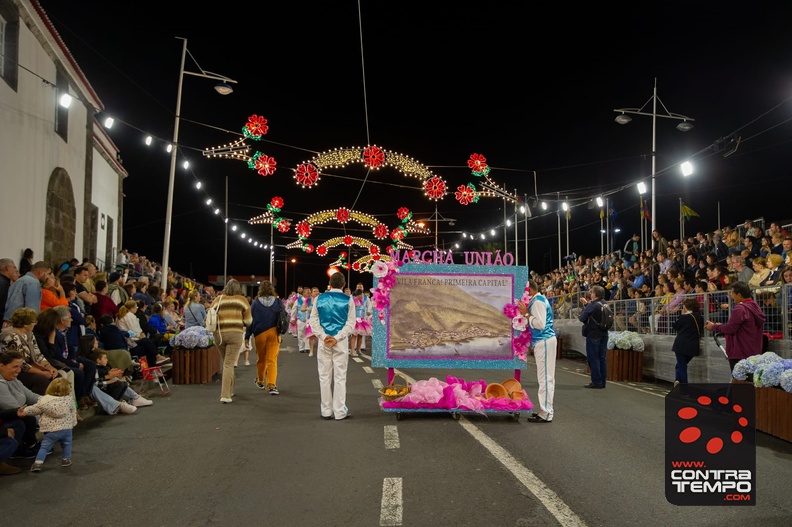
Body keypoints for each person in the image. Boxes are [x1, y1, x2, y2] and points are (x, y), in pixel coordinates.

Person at [308, 272, 355, 420]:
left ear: (330, 282)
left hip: (324, 342)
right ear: (343, 284)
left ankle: (326, 411)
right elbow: (350, 323)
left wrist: (323, 336)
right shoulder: (348, 299)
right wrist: (337, 337)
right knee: (340, 376)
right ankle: (340, 411)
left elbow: (313, 320)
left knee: (324, 376)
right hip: (340, 342)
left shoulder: (319, 298)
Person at [517, 279, 558, 423]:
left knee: (545, 378)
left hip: (545, 340)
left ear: (529, 290)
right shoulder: (537, 300)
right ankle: (544, 410)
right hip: (543, 341)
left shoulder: (538, 301)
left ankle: (546, 412)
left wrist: (527, 314)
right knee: (544, 377)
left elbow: (540, 324)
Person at [704, 281, 766, 371]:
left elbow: (730, 329)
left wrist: (713, 327)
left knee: (739, 381)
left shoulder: (740, 308)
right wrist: (722, 325)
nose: (731, 296)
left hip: (740, 352)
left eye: (732, 293)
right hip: (753, 351)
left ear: (739, 295)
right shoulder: (755, 306)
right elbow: (738, 326)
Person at [20, 377, 77, 472]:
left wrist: (24, 411)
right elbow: (73, 412)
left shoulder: (44, 401)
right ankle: (66, 460)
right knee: (67, 444)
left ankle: (38, 463)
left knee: (45, 446)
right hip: (67, 429)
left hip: (51, 430)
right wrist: (73, 423)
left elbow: (35, 409)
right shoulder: (69, 400)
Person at [209, 279, 251, 404]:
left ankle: (231, 389)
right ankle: (225, 394)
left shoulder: (218, 299)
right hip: (235, 334)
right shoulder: (242, 300)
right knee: (228, 364)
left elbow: (211, 314)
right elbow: (248, 321)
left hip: (219, 335)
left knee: (227, 362)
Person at [0, 307, 60, 395]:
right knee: (41, 380)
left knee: (57, 376)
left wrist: (49, 367)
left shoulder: (29, 334)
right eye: (33, 322)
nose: (35, 324)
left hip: (29, 366)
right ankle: (35, 406)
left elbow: (38, 354)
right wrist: (42, 373)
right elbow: (21, 364)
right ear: (25, 324)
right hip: (17, 369)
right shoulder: (11, 336)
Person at [0, 350, 42, 458]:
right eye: (15, 367)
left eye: (20, 366)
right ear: (1, 366)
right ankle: (21, 449)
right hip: (5, 418)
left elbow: (31, 396)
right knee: (25, 420)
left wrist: (53, 402)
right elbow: (14, 407)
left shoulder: (14, 380)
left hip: (15, 413)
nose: (18, 370)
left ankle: (31, 445)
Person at [245, 281, 283, 395]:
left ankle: (260, 381)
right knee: (272, 359)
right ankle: (272, 385)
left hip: (259, 334)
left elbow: (250, 321)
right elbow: (284, 316)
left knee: (261, 359)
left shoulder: (255, 303)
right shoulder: (278, 301)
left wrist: (247, 336)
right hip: (274, 333)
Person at [88, 348, 152, 410]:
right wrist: (109, 381)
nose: (107, 360)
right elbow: (96, 382)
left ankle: (134, 398)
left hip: (108, 384)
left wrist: (114, 374)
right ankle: (115, 403)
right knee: (119, 384)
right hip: (104, 388)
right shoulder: (95, 369)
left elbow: (108, 374)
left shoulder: (105, 366)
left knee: (123, 384)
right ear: (98, 360)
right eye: (105, 358)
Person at [578, 285, 609, 389]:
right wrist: (586, 304)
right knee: (602, 358)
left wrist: (586, 307)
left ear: (595, 295)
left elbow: (582, 318)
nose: (590, 294)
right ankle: (602, 381)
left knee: (593, 358)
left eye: (591, 293)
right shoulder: (605, 303)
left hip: (593, 335)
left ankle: (596, 382)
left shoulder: (592, 305)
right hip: (604, 334)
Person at [671, 298, 704, 386]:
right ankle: (677, 380)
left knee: (682, 366)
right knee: (680, 364)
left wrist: (681, 315)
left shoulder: (684, 317)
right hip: (693, 346)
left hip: (681, 345)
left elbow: (675, 326)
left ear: (686, 307)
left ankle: (684, 386)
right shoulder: (700, 318)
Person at [350, 289, 372, 356]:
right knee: (354, 335)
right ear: (357, 295)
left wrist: (367, 312)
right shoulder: (353, 301)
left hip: (362, 319)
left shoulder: (364, 300)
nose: (361, 296)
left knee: (360, 335)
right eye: (359, 295)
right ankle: (352, 350)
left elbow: (366, 308)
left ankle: (358, 350)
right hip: (355, 319)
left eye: (361, 294)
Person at [0, 258, 21, 326]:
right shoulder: (3, 283)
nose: (15, 270)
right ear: (7, 268)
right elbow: (2, 305)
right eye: (14, 267)